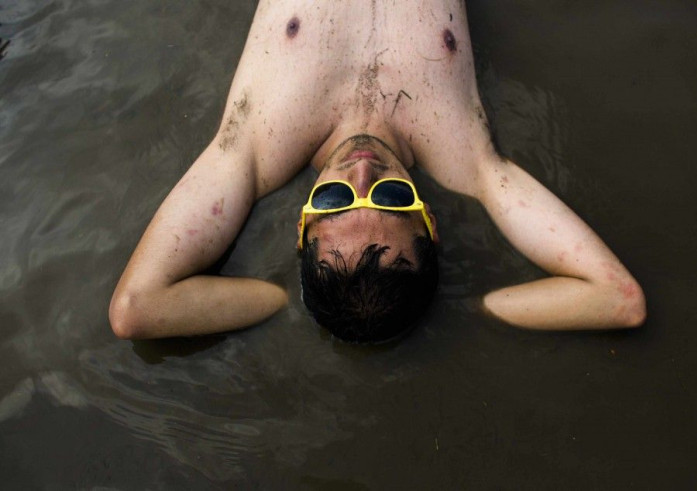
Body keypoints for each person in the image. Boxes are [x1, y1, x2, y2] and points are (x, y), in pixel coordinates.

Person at [109, 0, 646, 342]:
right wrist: (467, 310)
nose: (361, 174)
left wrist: (284, 300)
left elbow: (137, 308)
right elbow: (617, 298)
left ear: (302, 223)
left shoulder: (252, 150)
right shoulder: (468, 160)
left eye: (334, 201)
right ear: (430, 221)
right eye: (391, 197)